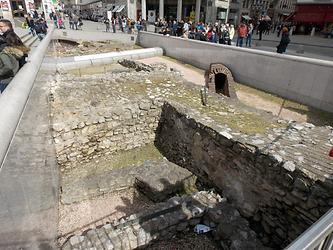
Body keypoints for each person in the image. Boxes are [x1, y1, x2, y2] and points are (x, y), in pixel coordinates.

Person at [0, 21, 29, 92]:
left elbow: (11, 56)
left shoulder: (9, 37)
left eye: (1, 26)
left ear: (7, 27)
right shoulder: (11, 35)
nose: (0, 28)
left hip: (10, 73)